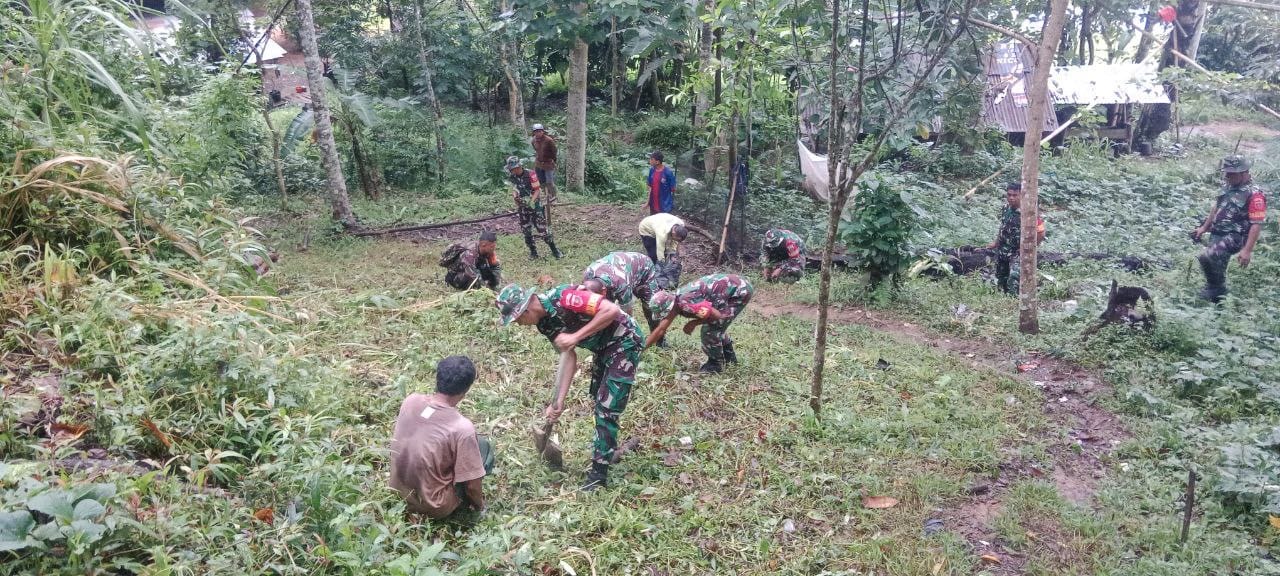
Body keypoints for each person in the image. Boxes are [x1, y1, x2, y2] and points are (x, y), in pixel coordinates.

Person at [496, 283, 643, 490]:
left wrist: (575, 336)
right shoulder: (544, 324)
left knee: (607, 408)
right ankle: (608, 449)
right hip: (603, 348)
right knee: (597, 397)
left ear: (525, 310)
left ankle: (598, 476)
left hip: (624, 341)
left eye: (518, 320)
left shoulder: (566, 297)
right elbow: (568, 355)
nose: (519, 324)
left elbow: (610, 310)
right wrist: (558, 402)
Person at [389, 355, 495, 519]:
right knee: (483, 447)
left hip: (397, 492)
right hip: (433, 506)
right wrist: (480, 506)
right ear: (465, 390)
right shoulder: (462, 428)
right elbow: (472, 487)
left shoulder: (411, 401)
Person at [1191, 154, 1266, 302]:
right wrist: (1204, 227)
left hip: (1236, 236)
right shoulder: (1228, 186)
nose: (1228, 176)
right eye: (1227, 173)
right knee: (1214, 263)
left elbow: (1256, 224)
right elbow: (1216, 208)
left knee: (1206, 256)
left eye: (1232, 174)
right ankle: (1216, 294)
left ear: (1244, 173)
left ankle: (1217, 288)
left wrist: (1247, 250)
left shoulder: (1255, 194)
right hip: (1218, 232)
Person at [646, 273, 753, 374]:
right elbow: (661, 329)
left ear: (669, 308)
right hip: (728, 289)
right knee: (716, 327)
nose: (664, 317)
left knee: (710, 330)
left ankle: (715, 365)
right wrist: (640, 349)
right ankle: (730, 359)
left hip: (738, 291)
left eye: (663, 314)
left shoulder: (687, 304)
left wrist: (694, 323)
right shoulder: (675, 301)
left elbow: (716, 315)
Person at [985, 181, 1045, 295]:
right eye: (1009, 195)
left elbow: (1041, 233)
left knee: (1014, 278)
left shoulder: (1029, 212)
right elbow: (1003, 226)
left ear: (1021, 195)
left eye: (1015, 195)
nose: (1011, 198)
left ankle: (1014, 302)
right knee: (1000, 278)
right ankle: (1002, 300)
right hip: (1003, 250)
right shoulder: (1006, 208)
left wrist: (1031, 247)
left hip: (1018, 252)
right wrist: (996, 243)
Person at [581, 251, 661, 330]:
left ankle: (659, 339)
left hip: (643, 266)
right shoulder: (588, 275)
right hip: (619, 269)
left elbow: (627, 315)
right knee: (604, 310)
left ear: (604, 291)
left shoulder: (621, 284)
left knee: (651, 306)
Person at [506, 156, 563, 259]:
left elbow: (537, 190)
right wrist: (515, 197)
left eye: (514, 168)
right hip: (522, 207)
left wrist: (531, 201)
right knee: (526, 231)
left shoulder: (530, 174)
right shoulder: (512, 177)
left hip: (535, 206)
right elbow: (514, 188)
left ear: (519, 166)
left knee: (543, 230)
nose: (513, 171)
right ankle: (533, 252)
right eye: (511, 169)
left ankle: (555, 251)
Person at [637, 212, 688, 289]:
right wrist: (661, 264)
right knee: (654, 255)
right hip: (646, 229)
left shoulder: (681, 225)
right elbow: (660, 250)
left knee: (667, 254)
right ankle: (651, 275)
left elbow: (674, 241)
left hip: (659, 222)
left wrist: (672, 254)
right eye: (676, 238)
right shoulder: (662, 233)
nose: (677, 240)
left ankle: (662, 275)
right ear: (674, 233)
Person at [531, 124, 558, 210]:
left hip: (548, 163)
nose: (538, 133)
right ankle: (546, 195)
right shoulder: (533, 140)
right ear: (534, 133)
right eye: (536, 132)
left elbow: (554, 151)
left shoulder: (549, 140)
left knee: (549, 181)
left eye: (539, 131)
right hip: (539, 163)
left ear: (543, 131)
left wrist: (553, 160)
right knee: (541, 182)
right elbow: (536, 150)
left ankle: (553, 197)